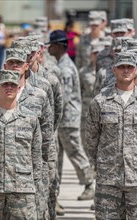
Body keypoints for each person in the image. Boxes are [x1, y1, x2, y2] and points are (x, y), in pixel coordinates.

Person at [86, 51, 137, 219]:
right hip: (108, 179)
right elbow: (91, 138)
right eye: (122, 67)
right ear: (114, 69)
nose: (126, 70)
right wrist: (101, 162)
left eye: (130, 66)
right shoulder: (100, 101)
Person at [0, 48, 54, 219]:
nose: (15, 66)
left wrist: (44, 167)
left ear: (26, 65)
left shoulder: (40, 93)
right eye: (12, 63)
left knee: (38, 211)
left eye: (19, 63)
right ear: (5, 65)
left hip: (28, 174)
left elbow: (47, 132)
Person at [0, 69, 42, 219]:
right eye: (5, 85)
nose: (9, 88)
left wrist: (31, 181)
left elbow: (36, 155)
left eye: (13, 85)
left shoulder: (30, 118)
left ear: (19, 88)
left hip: (22, 189)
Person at [47, 30, 95, 210]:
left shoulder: (65, 68)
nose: (49, 48)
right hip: (62, 119)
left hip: (67, 119)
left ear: (59, 46)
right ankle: (54, 196)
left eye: (51, 45)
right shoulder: (61, 64)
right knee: (56, 159)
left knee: (75, 153)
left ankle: (90, 184)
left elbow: (63, 98)